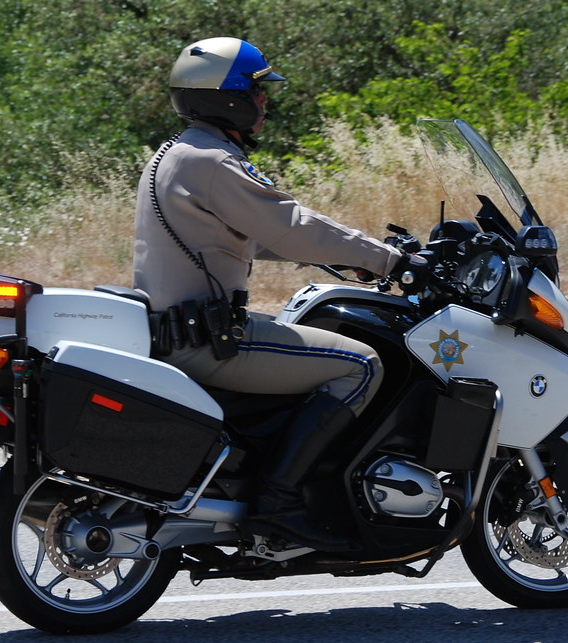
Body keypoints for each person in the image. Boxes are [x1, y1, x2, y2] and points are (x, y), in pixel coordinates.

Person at [133, 36, 427, 551]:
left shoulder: (177, 154)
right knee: (361, 366)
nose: (265, 102)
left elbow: (236, 240)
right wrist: (391, 259)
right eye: (257, 90)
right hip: (211, 343)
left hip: (176, 333)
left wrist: (343, 256)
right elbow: (289, 224)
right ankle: (279, 505)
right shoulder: (215, 162)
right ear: (226, 96)